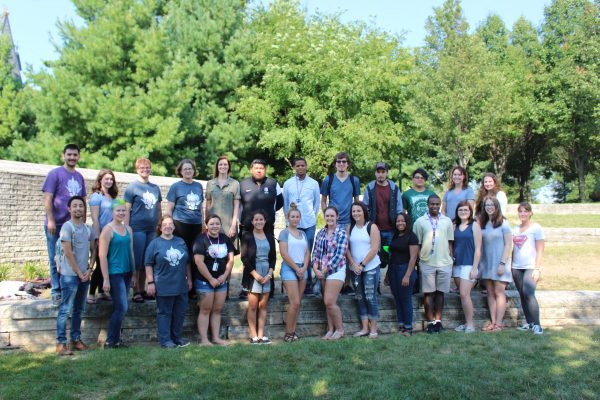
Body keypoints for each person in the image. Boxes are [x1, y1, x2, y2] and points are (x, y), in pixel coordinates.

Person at [42, 144, 87, 305]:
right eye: (69, 155)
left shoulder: (80, 177)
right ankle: (56, 292)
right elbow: (47, 198)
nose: (72, 158)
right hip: (57, 224)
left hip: (74, 225)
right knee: (55, 257)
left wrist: (83, 222)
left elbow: (83, 201)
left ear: (79, 157)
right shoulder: (54, 174)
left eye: (75, 155)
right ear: (64, 156)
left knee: (72, 258)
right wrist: (51, 220)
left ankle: (70, 290)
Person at [55, 196, 97, 355]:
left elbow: (93, 249)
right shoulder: (67, 227)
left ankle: (76, 340)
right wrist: (80, 273)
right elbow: (68, 253)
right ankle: (60, 344)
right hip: (69, 275)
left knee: (79, 309)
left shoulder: (87, 229)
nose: (78, 208)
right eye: (75, 206)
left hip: (85, 275)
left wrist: (90, 268)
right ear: (69, 209)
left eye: (81, 206)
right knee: (65, 310)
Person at [145, 216, 192, 348]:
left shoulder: (181, 242)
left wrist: (190, 280)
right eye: (165, 224)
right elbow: (148, 264)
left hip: (181, 284)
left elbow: (187, 262)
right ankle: (165, 340)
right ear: (160, 228)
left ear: (174, 227)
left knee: (180, 312)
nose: (168, 226)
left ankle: (176, 338)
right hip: (163, 285)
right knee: (164, 313)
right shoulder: (154, 244)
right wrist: (150, 283)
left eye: (170, 224)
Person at [238, 159, 283, 299]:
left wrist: (266, 216)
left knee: (268, 256)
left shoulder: (273, 184)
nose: (259, 170)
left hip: (267, 227)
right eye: (256, 168)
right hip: (247, 228)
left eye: (261, 168)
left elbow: (280, 202)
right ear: (251, 169)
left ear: (265, 170)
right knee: (248, 258)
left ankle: (270, 288)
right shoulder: (242, 184)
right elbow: (238, 205)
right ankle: (246, 288)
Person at [413, 194, 454, 334]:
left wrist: (450, 258)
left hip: (444, 262)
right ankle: (430, 323)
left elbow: (450, 242)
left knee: (440, 293)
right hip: (427, 262)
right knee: (428, 293)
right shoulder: (420, 222)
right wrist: (419, 259)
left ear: (440, 205)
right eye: (432, 204)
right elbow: (416, 243)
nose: (435, 206)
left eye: (437, 204)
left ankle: (438, 322)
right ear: (428, 205)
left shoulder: (447, 221)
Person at [320, 152, 360, 295]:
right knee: (330, 251)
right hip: (333, 222)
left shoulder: (354, 180)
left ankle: (347, 284)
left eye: (344, 161)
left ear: (348, 163)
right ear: (335, 163)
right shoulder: (328, 179)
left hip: (348, 221)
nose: (341, 164)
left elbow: (357, 201)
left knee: (347, 252)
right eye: (338, 161)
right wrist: (327, 215)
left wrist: (357, 217)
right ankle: (327, 280)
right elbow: (323, 200)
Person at [124, 158, 162, 303]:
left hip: (152, 229)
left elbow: (158, 209)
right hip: (137, 228)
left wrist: (159, 226)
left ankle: (143, 288)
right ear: (136, 169)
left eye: (147, 167)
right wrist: (127, 228)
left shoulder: (155, 188)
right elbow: (127, 210)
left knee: (148, 260)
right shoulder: (132, 187)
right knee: (137, 260)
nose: (144, 169)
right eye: (141, 167)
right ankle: (136, 291)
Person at [193, 214, 235, 346]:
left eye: (217, 223)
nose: (215, 226)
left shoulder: (225, 239)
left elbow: (231, 260)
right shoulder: (200, 239)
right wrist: (211, 279)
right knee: (205, 310)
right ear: (206, 225)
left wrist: (224, 276)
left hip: (221, 281)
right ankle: (204, 340)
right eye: (211, 224)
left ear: (221, 225)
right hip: (205, 281)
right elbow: (199, 262)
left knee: (217, 310)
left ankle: (216, 338)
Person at [99, 199, 136, 348]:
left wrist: (133, 273)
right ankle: (110, 341)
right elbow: (102, 256)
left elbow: (131, 251)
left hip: (127, 272)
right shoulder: (107, 230)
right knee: (122, 307)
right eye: (118, 210)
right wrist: (106, 279)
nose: (121, 213)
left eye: (123, 210)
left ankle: (116, 340)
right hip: (115, 273)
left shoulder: (128, 229)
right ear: (112, 212)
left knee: (119, 307)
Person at [282, 157, 320, 296]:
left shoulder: (314, 183)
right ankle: (293, 281)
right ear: (294, 167)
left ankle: (307, 284)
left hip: (308, 223)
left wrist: (311, 216)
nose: (300, 168)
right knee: (292, 253)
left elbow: (316, 204)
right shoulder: (288, 184)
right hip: (292, 224)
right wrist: (288, 221)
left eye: (303, 165)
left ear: (306, 166)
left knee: (307, 253)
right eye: (297, 165)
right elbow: (286, 203)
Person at [312, 206, 348, 340]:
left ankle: (340, 329)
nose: (329, 218)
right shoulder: (320, 233)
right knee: (326, 302)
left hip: (336, 270)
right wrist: (316, 269)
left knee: (329, 301)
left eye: (332, 216)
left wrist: (324, 270)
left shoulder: (341, 233)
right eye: (327, 216)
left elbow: (339, 255)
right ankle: (330, 329)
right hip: (321, 272)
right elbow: (315, 253)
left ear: (337, 217)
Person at [346, 202, 381, 339]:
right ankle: (364, 328)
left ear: (364, 211)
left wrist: (362, 265)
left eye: (358, 211)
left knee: (370, 297)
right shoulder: (350, 227)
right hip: (355, 268)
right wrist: (354, 264)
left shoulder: (372, 227)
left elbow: (374, 248)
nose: (356, 213)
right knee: (359, 297)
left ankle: (373, 328)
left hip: (370, 267)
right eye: (353, 211)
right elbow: (347, 248)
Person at [241, 211, 276, 344]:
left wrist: (269, 274)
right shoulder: (247, 236)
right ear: (252, 222)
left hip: (267, 273)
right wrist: (255, 274)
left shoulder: (270, 236)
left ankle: (261, 335)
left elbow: (273, 257)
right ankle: (253, 335)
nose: (259, 222)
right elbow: (244, 258)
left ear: (265, 221)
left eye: (261, 219)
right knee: (253, 306)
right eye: (256, 219)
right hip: (252, 274)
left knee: (263, 306)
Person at [362, 162, 403, 270]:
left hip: (390, 230)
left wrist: (399, 225)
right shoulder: (370, 188)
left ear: (387, 173)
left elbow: (399, 208)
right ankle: (377, 283)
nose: (380, 174)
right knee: (375, 257)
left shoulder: (394, 188)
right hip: (375, 230)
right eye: (378, 172)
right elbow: (365, 207)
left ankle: (390, 279)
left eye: (383, 172)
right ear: (375, 173)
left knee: (390, 255)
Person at [479, 196, 512, 332]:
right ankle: (493, 322)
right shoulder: (483, 223)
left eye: (492, 205)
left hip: (499, 262)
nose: (489, 207)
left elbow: (508, 244)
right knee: (490, 293)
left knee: (499, 292)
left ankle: (499, 323)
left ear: (497, 206)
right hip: (486, 263)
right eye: (487, 205)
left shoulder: (504, 223)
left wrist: (502, 263)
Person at [278, 204, 310, 342]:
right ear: (287, 217)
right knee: (294, 302)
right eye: (293, 217)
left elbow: (307, 253)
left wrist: (303, 268)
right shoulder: (284, 233)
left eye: (297, 217)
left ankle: (293, 331)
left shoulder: (302, 233)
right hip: (289, 268)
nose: (295, 219)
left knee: (298, 303)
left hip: (303, 269)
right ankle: (288, 333)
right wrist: (296, 269)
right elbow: (284, 254)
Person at [512, 202, 545, 335]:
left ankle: (537, 325)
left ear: (530, 213)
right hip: (516, 267)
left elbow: (540, 249)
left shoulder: (536, 228)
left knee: (529, 293)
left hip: (530, 266)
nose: (523, 214)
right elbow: (514, 249)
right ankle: (529, 323)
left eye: (526, 211)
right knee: (522, 294)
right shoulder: (515, 229)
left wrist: (537, 269)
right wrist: (511, 265)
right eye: (520, 211)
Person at [88, 169, 118, 304]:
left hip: (111, 234)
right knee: (100, 264)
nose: (109, 181)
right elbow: (95, 218)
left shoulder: (112, 197)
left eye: (111, 179)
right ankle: (91, 292)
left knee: (107, 264)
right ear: (100, 180)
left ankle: (101, 292)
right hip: (101, 235)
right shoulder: (96, 196)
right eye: (106, 178)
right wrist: (98, 237)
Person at [386, 213, 419, 336]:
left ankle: (408, 327)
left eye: (402, 221)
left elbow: (413, 257)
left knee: (405, 299)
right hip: (394, 269)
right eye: (398, 221)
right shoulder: (395, 236)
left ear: (407, 222)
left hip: (405, 269)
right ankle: (401, 324)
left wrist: (407, 275)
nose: (400, 223)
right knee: (397, 298)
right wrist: (387, 274)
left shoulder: (412, 236)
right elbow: (392, 256)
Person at [452, 201, 482, 333]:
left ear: (470, 212)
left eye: (466, 210)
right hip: (457, 265)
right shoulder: (455, 225)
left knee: (465, 294)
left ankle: (471, 325)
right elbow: (451, 244)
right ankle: (466, 323)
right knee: (462, 295)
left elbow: (478, 249)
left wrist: (475, 268)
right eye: (461, 210)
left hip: (469, 265)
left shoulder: (474, 225)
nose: (463, 212)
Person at [167, 159, 204, 254]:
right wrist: (169, 223)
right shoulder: (175, 187)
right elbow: (169, 208)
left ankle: (194, 269)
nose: (188, 171)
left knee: (196, 252)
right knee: (182, 251)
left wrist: (203, 223)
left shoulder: (198, 186)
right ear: (180, 171)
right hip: (180, 224)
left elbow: (200, 207)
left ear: (194, 171)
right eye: (185, 169)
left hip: (196, 225)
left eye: (190, 169)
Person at [204, 156, 241, 249]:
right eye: (220, 164)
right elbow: (208, 204)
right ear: (217, 167)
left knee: (229, 252)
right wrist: (206, 222)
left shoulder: (235, 183)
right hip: (213, 224)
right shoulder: (210, 183)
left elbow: (236, 206)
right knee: (212, 251)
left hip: (229, 224)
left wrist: (233, 225)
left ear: (229, 167)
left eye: (225, 164)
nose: (223, 166)